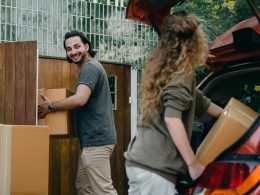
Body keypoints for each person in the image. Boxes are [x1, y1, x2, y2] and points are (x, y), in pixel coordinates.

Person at [124, 11, 223, 195]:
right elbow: (172, 119)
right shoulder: (183, 73)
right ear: (194, 41)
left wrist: (236, 119)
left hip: (139, 162)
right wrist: (192, 164)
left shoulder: (164, 71)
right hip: (156, 169)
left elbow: (202, 103)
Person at [38, 30, 118, 195]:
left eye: (77, 46)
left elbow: (80, 99)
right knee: (83, 188)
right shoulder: (88, 68)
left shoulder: (90, 67)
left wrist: (50, 106)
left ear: (86, 46)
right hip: (91, 142)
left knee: (104, 191)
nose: (73, 52)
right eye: (69, 49)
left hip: (97, 141)